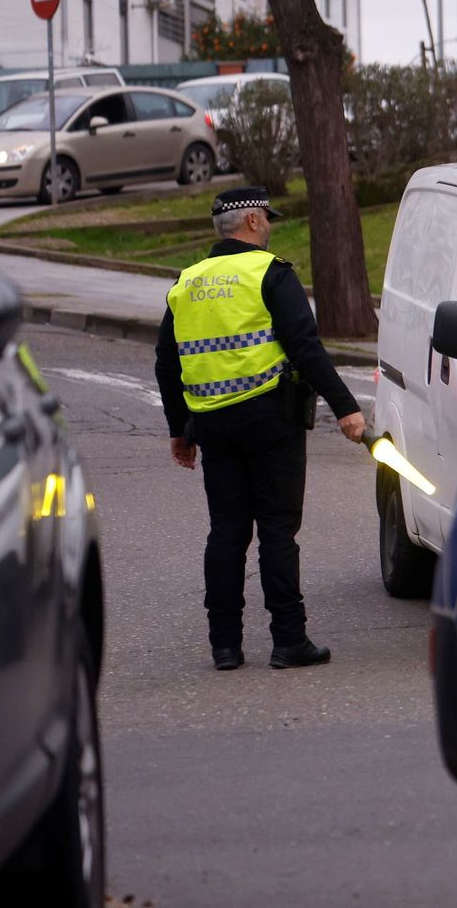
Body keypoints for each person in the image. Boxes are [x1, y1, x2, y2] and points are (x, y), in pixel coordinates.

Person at [154, 186, 366, 671]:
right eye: (266, 220)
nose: (270, 227)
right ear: (251, 223)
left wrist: (179, 429)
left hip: (212, 424)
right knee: (276, 530)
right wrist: (346, 409)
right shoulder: (269, 273)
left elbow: (167, 363)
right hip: (271, 421)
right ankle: (289, 641)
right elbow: (305, 348)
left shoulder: (187, 282)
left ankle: (224, 646)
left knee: (226, 531)